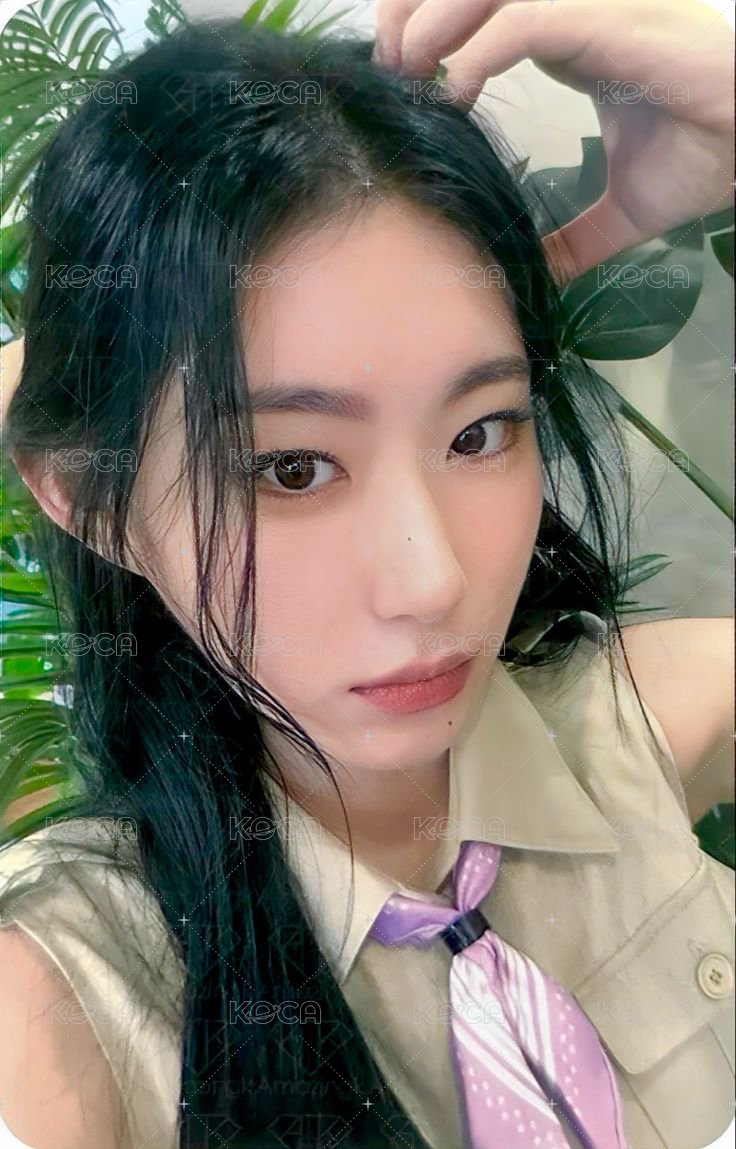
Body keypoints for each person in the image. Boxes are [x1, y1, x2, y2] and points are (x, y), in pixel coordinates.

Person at [0, 4, 733, 1148]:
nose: (430, 583)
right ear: (92, 501)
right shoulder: (64, 1005)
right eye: (291, 468)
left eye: (479, 432)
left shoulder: (632, 727)